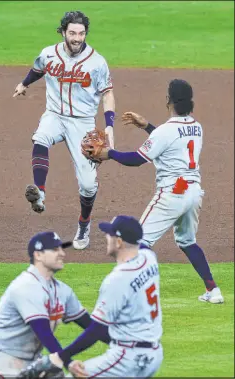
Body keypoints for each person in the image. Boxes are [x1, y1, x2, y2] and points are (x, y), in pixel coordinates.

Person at [84, 79, 224, 304]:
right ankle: (213, 290)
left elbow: (136, 160)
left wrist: (109, 153)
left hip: (172, 193)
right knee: (187, 241)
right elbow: (171, 139)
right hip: (194, 193)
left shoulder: (166, 131)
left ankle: (133, 294)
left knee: (137, 242)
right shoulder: (196, 126)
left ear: (168, 100)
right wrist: (147, 126)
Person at [13, 10, 115, 250]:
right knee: (41, 137)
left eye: (81, 33)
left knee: (89, 185)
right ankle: (39, 192)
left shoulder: (96, 61)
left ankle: (84, 224)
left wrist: (109, 124)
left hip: (83, 122)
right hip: (55, 115)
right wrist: (23, 83)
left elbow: (107, 93)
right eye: (72, 33)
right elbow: (38, 68)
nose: (77, 38)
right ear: (63, 32)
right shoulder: (49, 53)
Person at [19, 215, 163, 378]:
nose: (106, 237)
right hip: (154, 353)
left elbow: (96, 329)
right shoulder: (149, 258)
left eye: (110, 235)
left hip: (128, 357)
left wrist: (60, 357)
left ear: (119, 242)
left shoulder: (117, 280)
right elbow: (140, 245)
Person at [0, 231, 104, 377]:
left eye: (61, 249)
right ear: (38, 255)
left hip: (31, 359)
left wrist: (126, 344)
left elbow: (93, 327)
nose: (62, 254)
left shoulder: (63, 291)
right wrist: (68, 362)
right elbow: (43, 332)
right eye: (55, 250)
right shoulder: (26, 286)